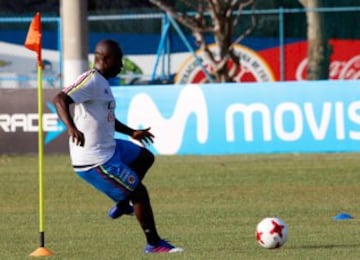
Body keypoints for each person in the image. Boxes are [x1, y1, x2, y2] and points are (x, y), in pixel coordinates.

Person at [53, 39, 183, 254]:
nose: (122, 65)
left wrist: (132, 132)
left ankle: (123, 203)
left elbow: (107, 119)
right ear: (105, 59)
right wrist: (71, 127)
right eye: (119, 60)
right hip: (94, 159)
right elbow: (60, 99)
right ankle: (154, 243)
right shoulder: (91, 79)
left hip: (111, 148)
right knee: (139, 193)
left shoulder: (103, 83)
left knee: (145, 158)